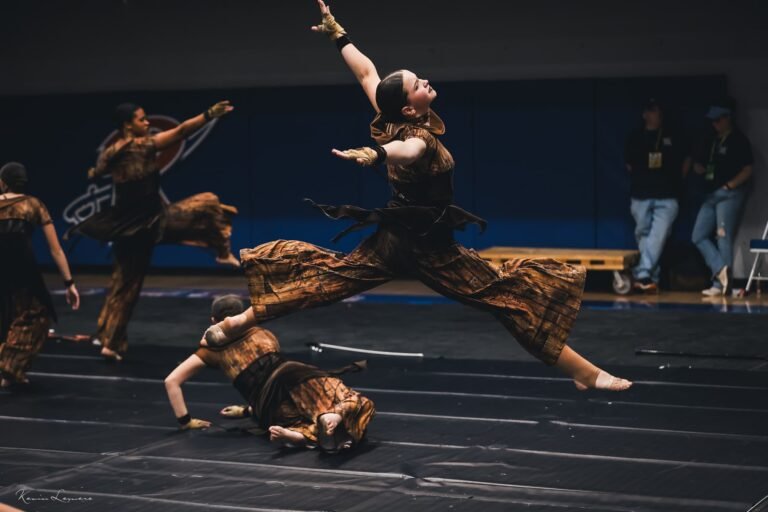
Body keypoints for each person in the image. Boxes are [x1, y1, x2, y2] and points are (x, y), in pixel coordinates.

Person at [203, 1, 631, 392]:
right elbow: (408, 152)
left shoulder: (386, 114)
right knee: (508, 299)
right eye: (417, 84)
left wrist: (339, 34)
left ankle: (236, 323)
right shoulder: (416, 137)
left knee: (325, 282)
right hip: (431, 248)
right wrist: (377, 155)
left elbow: (367, 73)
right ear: (410, 108)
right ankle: (584, 373)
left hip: (393, 240)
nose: (425, 80)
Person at [67, 101, 239, 361]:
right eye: (141, 120)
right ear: (128, 125)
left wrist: (94, 172)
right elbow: (181, 131)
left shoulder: (110, 152)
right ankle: (222, 251)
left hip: (126, 228)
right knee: (209, 203)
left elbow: (98, 170)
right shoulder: (143, 145)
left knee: (122, 286)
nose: (146, 123)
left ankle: (107, 340)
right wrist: (208, 115)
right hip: (150, 223)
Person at [164, 295, 375, 453]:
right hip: (295, 375)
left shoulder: (211, 351)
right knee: (359, 402)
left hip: (268, 408)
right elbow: (272, 375)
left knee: (297, 417)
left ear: (213, 320)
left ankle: (301, 434)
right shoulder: (261, 332)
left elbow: (172, 381)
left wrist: (186, 422)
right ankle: (332, 416)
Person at [0, 162, 80, 389]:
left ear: (2, 183)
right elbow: (55, 249)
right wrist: (69, 283)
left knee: (7, 316)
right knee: (38, 316)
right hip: (23, 269)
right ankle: (9, 364)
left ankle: (11, 371)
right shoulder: (33, 204)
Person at [624, 98, 689, 293]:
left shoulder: (672, 135)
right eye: (651, 111)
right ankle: (651, 278)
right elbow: (629, 164)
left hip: (667, 195)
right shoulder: (636, 137)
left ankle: (642, 273)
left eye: (658, 111)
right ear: (645, 114)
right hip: (641, 194)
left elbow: (687, 158)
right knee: (642, 234)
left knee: (658, 235)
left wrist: (678, 181)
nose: (655, 114)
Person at [691, 98, 753, 296]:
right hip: (711, 194)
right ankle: (719, 269)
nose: (715, 124)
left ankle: (721, 285)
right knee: (698, 235)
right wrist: (698, 169)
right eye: (713, 121)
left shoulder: (739, 140)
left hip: (729, 194)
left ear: (728, 118)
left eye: (718, 120)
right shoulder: (711, 140)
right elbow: (698, 163)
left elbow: (747, 169)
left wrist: (729, 185)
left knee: (722, 237)